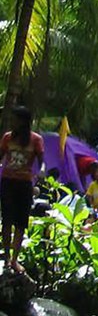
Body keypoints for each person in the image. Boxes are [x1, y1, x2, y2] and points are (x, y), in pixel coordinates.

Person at [0, 107, 43, 272]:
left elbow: (42, 160)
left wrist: (42, 170)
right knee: (7, 220)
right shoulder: (7, 138)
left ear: (24, 122)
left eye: (16, 119)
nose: (13, 123)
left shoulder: (36, 140)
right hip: (8, 181)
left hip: (24, 183)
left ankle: (14, 259)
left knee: (20, 223)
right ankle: (6, 257)